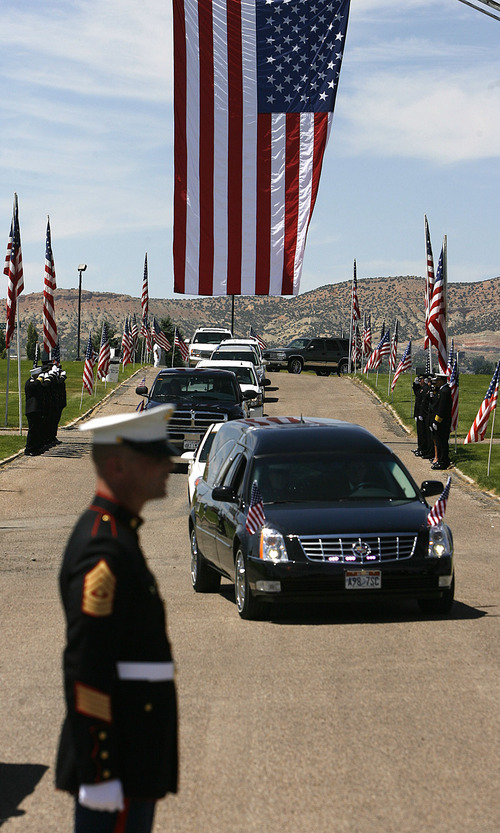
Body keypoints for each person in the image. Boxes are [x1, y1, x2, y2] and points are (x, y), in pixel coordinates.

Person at [56, 404, 179, 833]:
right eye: (154, 457)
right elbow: (86, 667)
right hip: (120, 757)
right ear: (117, 464)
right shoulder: (103, 552)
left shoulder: (118, 534)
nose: (169, 463)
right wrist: (99, 769)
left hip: (136, 751)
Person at [430, 371, 453, 470]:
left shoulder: (445, 391)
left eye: (438, 380)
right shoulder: (441, 390)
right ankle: (441, 459)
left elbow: (442, 408)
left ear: (442, 381)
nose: (437, 382)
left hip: (442, 422)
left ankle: (443, 462)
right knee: (440, 442)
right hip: (440, 421)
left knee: (442, 442)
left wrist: (437, 421)